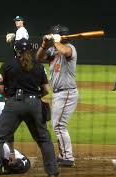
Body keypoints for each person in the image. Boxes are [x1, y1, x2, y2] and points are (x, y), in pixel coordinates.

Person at [0, 38, 59, 177]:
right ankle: (52, 171)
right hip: (34, 105)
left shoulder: (7, 65)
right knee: (44, 139)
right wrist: (36, 96)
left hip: (13, 104)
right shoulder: (38, 66)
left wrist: (10, 96)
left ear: (16, 50)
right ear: (30, 50)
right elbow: (46, 90)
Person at [36, 24, 78, 167]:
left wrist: (55, 40)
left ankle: (67, 157)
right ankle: (64, 155)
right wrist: (43, 44)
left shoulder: (70, 48)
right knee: (57, 125)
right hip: (59, 93)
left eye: (53, 34)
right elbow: (37, 59)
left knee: (59, 126)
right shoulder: (53, 49)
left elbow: (65, 52)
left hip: (67, 92)